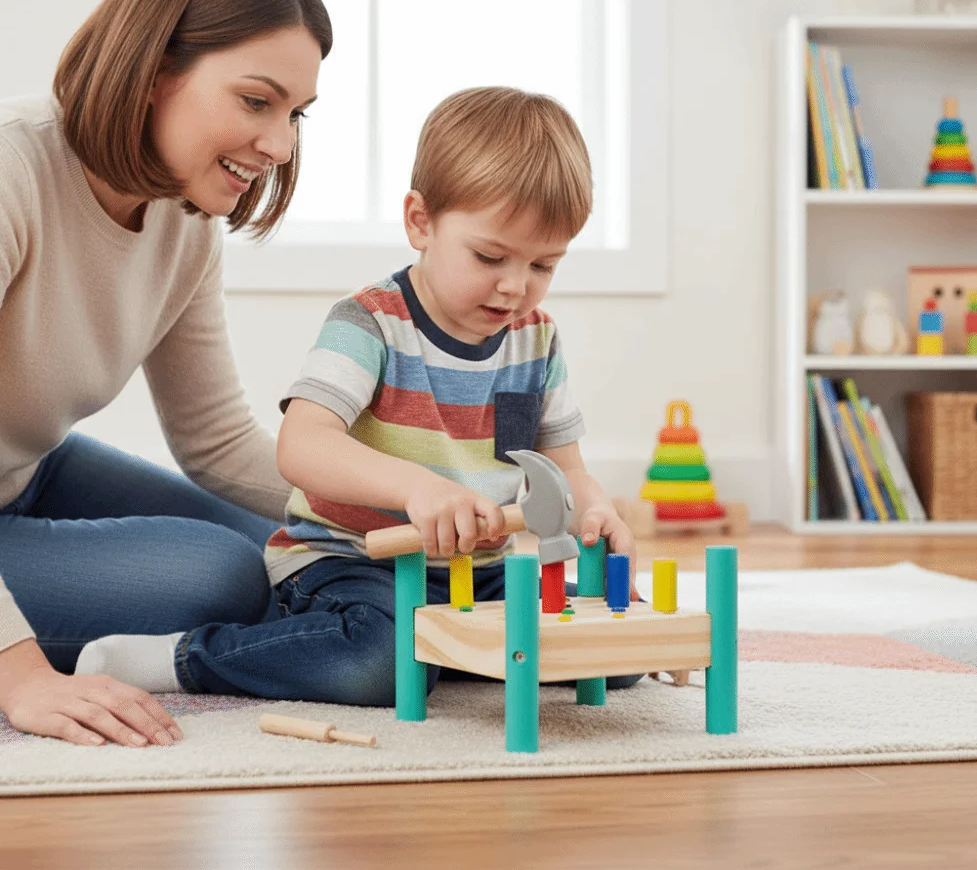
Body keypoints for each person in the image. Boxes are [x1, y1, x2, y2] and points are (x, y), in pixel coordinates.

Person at [76, 86, 643, 705]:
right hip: (351, 563)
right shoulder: (370, 323)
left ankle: (442, 648)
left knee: (616, 645)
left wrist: (595, 511)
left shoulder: (537, 341)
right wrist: (418, 489)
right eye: (490, 256)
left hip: (479, 573)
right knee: (382, 664)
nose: (514, 287)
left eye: (543, 266)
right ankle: (190, 656)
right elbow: (303, 445)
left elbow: (565, 471)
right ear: (420, 222)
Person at [0, 0, 332, 747]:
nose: (281, 144)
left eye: (295, 113)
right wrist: (19, 675)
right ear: (154, 72)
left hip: (26, 475)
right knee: (218, 575)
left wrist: (406, 501)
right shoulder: (12, 173)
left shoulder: (185, 224)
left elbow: (217, 441)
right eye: (256, 101)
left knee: (289, 549)